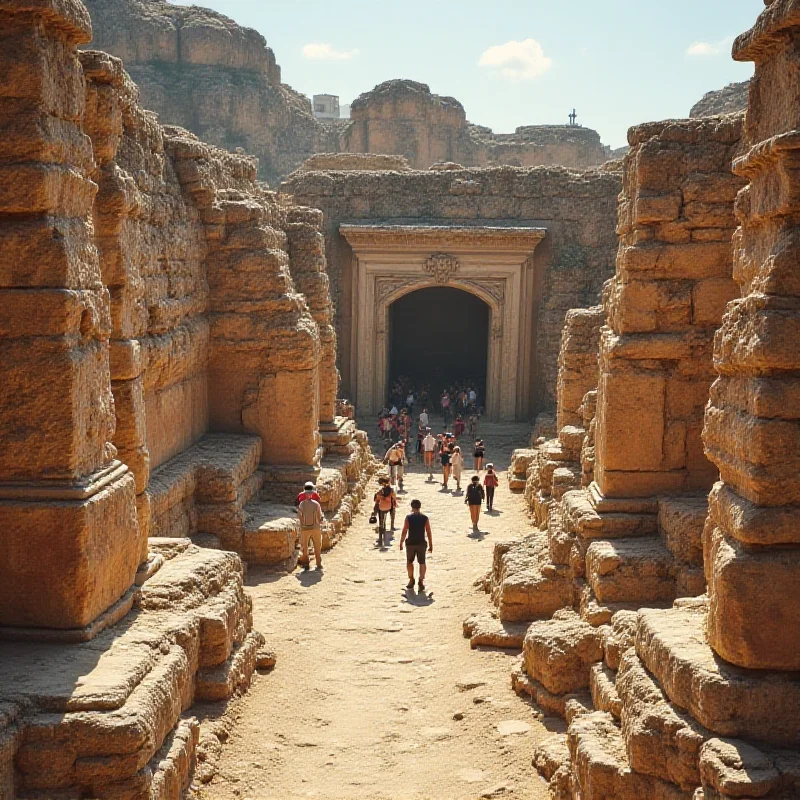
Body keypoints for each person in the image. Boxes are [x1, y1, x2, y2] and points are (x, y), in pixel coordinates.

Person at [400, 499, 433, 592]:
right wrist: (430, 544)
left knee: (409, 562)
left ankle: (411, 580)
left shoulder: (408, 518)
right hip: (421, 543)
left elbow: (404, 531)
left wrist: (401, 542)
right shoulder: (425, 518)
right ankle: (421, 581)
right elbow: (428, 531)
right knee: (422, 562)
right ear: (420, 507)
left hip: (410, 543)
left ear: (412, 507)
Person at [297, 488, 323, 570]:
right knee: (307, 547)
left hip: (311, 528)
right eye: (308, 494)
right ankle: (308, 564)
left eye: (310, 494)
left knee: (316, 546)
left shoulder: (310, 504)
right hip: (310, 528)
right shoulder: (306, 504)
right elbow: (300, 515)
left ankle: (317, 564)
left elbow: (300, 515)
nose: (309, 495)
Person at [373, 477, 396, 546]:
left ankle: (380, 539)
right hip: (389, 507)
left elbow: (376, 499)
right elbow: (394, 497)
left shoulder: (380, 491)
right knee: (393, 508)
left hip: (381, 508)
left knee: (381, 522)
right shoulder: (391, 490)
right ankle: (392, 525)